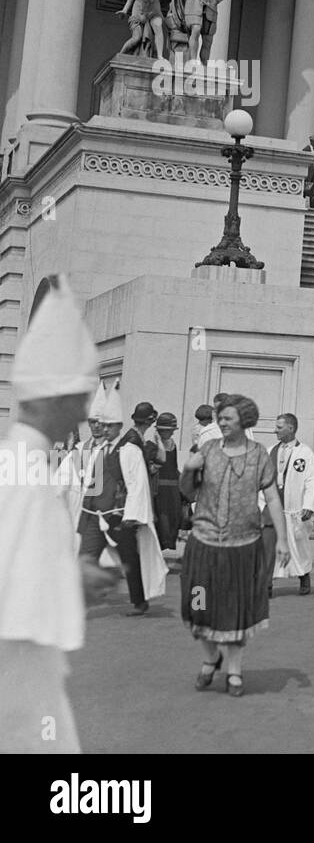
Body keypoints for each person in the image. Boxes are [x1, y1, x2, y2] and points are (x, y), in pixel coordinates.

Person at [0, 280, 118, 753]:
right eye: (78, 398)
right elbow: (15, 592)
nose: (83, 412)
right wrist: (78, 584)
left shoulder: (21, 460)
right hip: (18, 680)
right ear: (56, 397)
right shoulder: (26, 470)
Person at [180, 395, 289, 697]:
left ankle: (234, 670)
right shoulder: (208, 450)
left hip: (242, 549)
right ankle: (210, 657)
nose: (222, 423)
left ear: (244, 420)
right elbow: (187, 493)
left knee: (232, 611)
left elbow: (272, 500)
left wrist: (281, 539)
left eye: (227, 418)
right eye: (220, 418)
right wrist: (189, 469)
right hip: (203, 546)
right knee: (198, 605)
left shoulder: (259, 455)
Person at [78, 386, 166, 617]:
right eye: (102, 424)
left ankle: (140, 600)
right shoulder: (97, 451)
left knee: (130, 559)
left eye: (109, 425)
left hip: (120, 515)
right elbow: (92, 484)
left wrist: (132, 516)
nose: (104, 429)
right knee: (85, 557)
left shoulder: (129, 451)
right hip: (96, 516)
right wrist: (84, 508)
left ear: (118, 426)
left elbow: (138, 485)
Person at [267, 414, 314, 596]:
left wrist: (309, 505)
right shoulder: (270, 451)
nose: (275, 430)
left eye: (279, 427)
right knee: (270, 547)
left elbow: (312, 480)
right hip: (274, 510)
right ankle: (267, 585)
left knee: (299, 547)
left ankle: (304, 576)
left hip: (294, 509)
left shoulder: (305, 453)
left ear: (291, 428)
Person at [152, 412, 184, 552]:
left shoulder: (172, 443)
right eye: (168, 430)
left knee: (172, 518)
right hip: (158, 489)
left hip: (172, 489)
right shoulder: (153, 444)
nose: (171, 433)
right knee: (161, 520)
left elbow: (174, 466)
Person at [302, 136, 314, 210]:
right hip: (309, 170)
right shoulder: (307, 149)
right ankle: (302, 202)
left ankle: (312, 205)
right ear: (311, 141)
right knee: (307, 186)